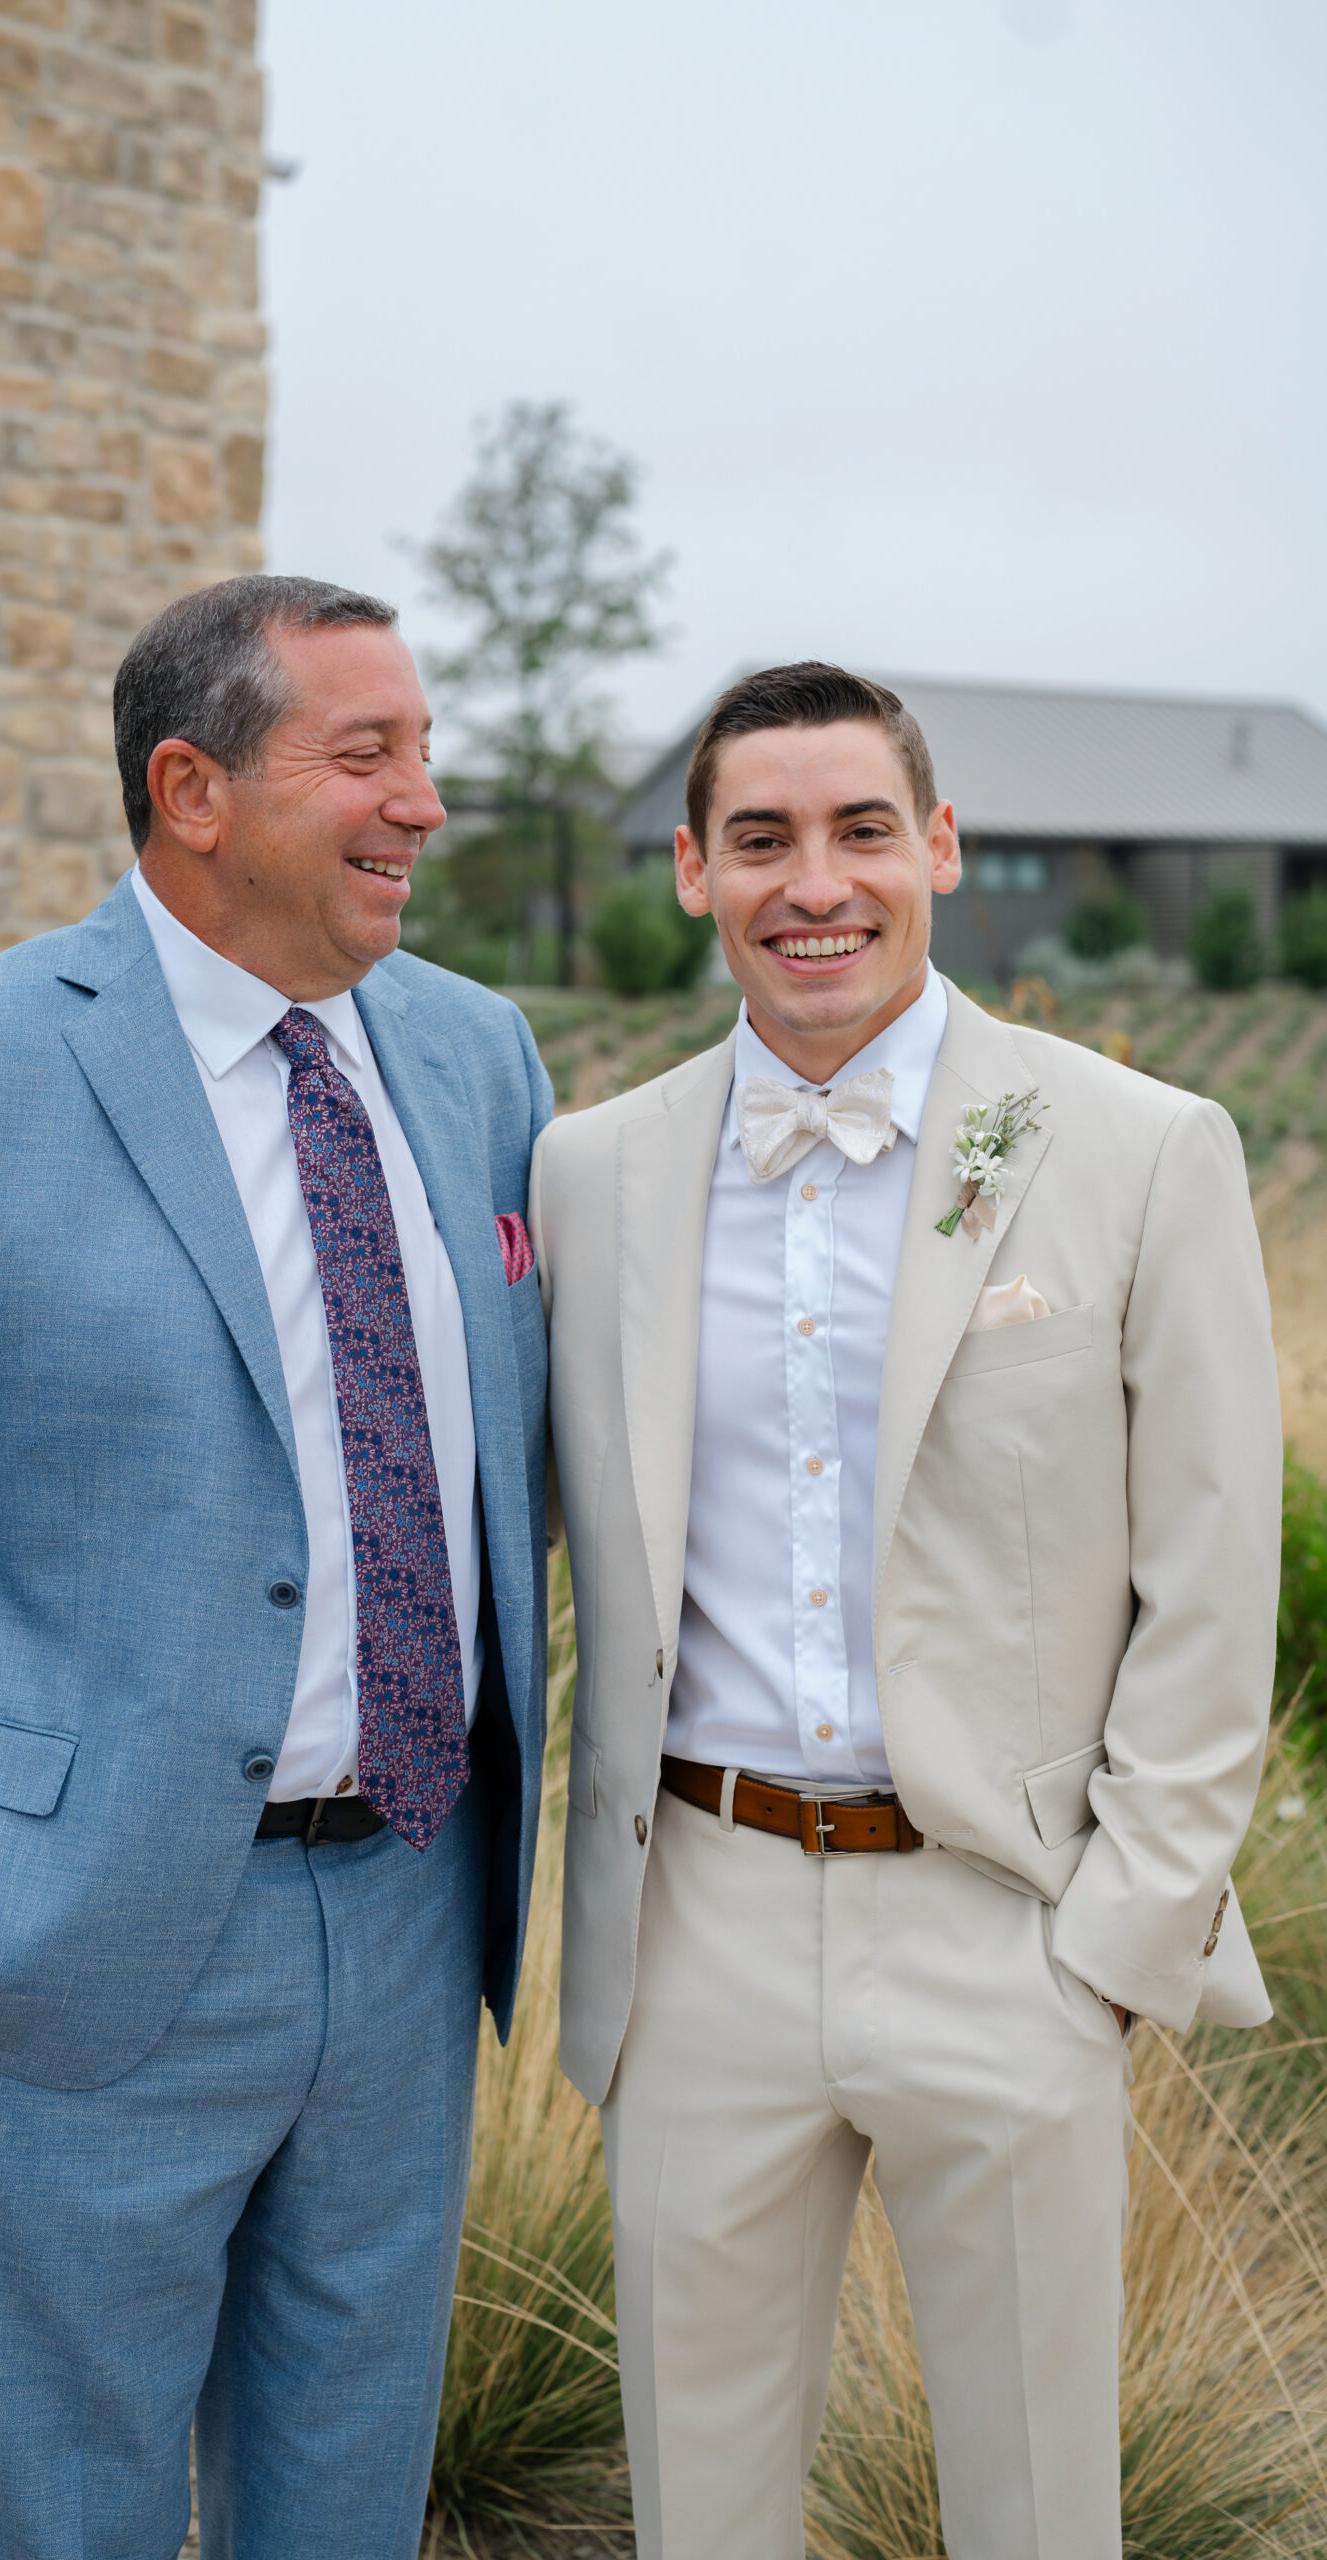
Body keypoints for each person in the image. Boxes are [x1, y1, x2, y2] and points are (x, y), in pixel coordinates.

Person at [0, 575, 553, 2560]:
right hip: (65, 1949)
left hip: (408, 1917)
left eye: (425, 751)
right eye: (366, 754)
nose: (423, 802)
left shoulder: (478, 1056)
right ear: (191, 788)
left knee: (344, 2514)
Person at [530, 662, 1278, 2560]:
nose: (816, 884)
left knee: (1037, 2514)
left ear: (938, 845)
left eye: (862, 829)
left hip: (1008, 1922)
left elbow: (1212, 1581)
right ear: (692, 870)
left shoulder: (1140, 1146)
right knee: (700, 2511)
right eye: (760, 839)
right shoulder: (592, 1173)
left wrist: (1116, 1940)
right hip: (696, 1924)